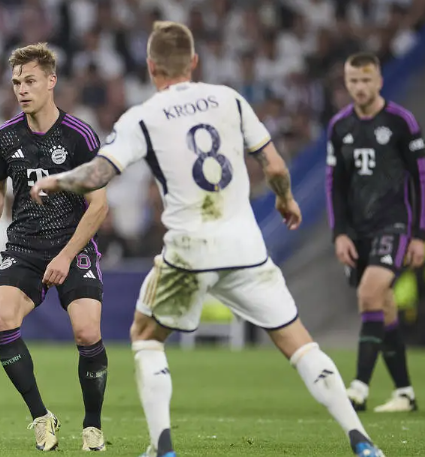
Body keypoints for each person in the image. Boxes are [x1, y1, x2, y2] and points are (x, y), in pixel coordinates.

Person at [31, 21, 385, 457]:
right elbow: (273, 165)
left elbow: (97, 174)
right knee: (298, 341)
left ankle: (163, 449)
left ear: (150, 66)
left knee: (145, 335)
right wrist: (286, 200)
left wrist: (54, 181)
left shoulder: (143, 116)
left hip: (189, 250)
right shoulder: (230, 100)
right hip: (246, 247)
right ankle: (362, 441)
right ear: (193, 62)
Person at [0, 43, 109, 452]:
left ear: (51, 82)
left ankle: (92, 426)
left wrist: (67, 255)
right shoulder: (6, 136)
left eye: (30, 81)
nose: (21, 89)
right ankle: (40, 417)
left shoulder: (80, 136)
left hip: (72, 244)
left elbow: (99, 205)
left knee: (87, 332)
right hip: (25, 246)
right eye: (16, 82)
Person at [326, 52, 425, 412]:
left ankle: (357, 388)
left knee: (370, 293)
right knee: (383, 306)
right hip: (358, 232)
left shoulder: (401, 121)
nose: (359, 87)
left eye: (365, 80)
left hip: (395, 224)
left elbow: (422, 179)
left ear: (380, 81)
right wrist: (339, 232)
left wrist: (419, 234)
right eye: (353, 80)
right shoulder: (339, 127)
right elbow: (334, 185)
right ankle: (405, 392)